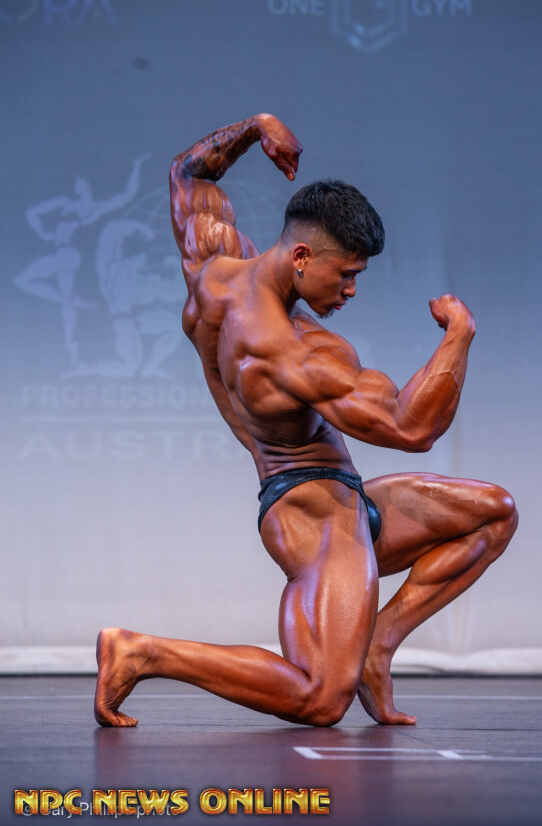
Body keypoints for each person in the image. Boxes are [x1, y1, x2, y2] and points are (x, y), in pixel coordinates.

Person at [94, 114, 518, 728]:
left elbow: (188, 174)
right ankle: (144, 652)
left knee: (494, 513)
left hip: (337, 495)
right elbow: (411, 428)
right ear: (301, 256)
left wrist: (256, 127)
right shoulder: (293, 354)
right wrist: (459, 333)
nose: (350, 291)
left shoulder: (215, 269)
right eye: (345, 274)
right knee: (320, 697)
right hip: (314, 515)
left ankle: (378, 646)